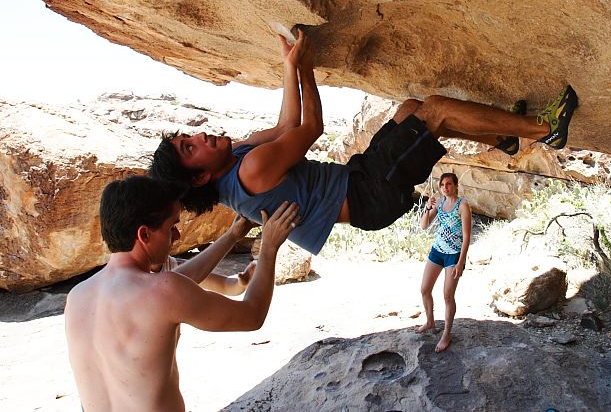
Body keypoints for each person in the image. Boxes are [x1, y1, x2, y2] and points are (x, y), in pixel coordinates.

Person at [149, 28, 578, 257]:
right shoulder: (249, 173)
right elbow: (310, 128)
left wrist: (289, 66)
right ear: (202, 174)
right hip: (370, 194)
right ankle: (544, 129)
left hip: (359, 179)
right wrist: (307, 68)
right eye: (191, 147)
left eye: (189, 136)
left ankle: (502, 136)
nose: (200, 136)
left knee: (411, 109)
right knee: (437, 111)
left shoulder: (239, 157)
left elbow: (285, 125)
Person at [64, 176, 299, 412]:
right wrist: (268, 247)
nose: (176, 236)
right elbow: (252, 315)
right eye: (171, 226)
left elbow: (175, 284)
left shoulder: (78, 296)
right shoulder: (163, 291)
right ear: (144, 235)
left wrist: (231, 236)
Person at [416, 172, 472, 353]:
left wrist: (461, 262)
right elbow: (424, 225)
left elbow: (467, 236)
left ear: (456, 185)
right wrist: (427, 207)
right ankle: (430, 321)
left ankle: (447, 333)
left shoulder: (462, 205)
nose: (445, 188)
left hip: (454, 255)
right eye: (442, 185)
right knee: (424, 289)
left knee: (447, 296)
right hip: (437, 251)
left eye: (449, 184)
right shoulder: (439, 203)